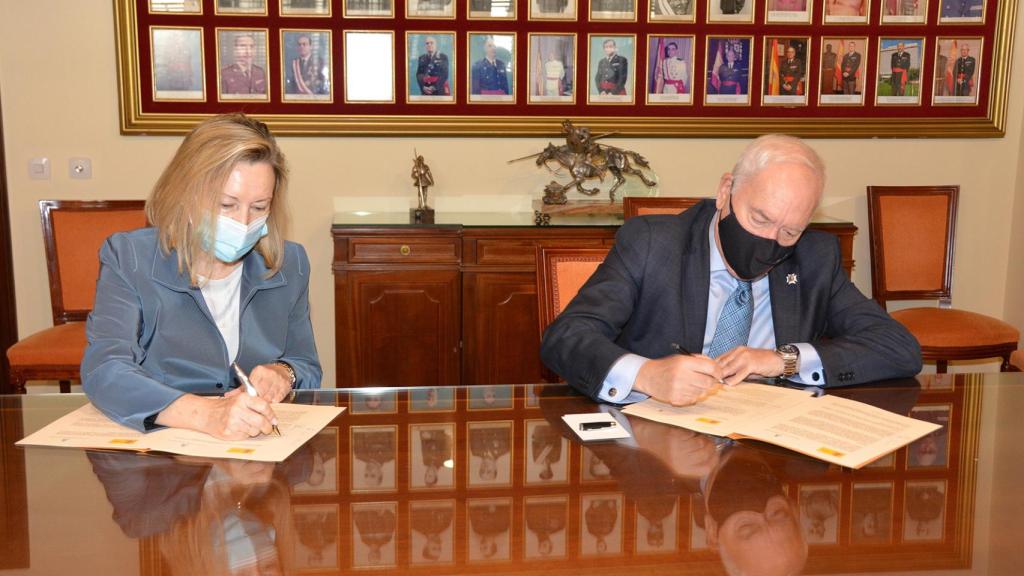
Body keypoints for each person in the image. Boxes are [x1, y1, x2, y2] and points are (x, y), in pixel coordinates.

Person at [540, 135, 921, 407]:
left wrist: (783, 360)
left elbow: (899, 349)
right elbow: (566, 337)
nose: (771, 241)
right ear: (726, 191)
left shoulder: (814, 257)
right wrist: (646, 375)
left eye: (789, 231)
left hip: (768, 447)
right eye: (759, 218)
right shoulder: (654, 243)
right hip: (661, 452)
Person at [81, 114, 320, 437]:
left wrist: (284, 373)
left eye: (259, 206)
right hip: (161, 452)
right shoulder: (128, 258)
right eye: (226, 204)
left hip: (253, 450)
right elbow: (105, 370)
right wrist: (205, 414)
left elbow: (305, 364)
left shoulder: (290, 263)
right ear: (187, 194)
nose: (244, 221)